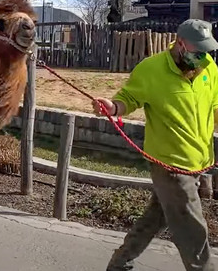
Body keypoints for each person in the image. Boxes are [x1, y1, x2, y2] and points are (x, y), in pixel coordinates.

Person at [92, 19, 218, 271]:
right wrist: (114, 107)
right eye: (199, 50)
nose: (204, 56)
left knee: (154, 218)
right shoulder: (151, 69)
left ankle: (119, 264)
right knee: (194, 232)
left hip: (199, 161)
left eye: (207, 50)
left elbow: (215, 105)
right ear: (181, 45)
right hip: (171, 165)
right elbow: (129, 98)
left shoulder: (208, 67)